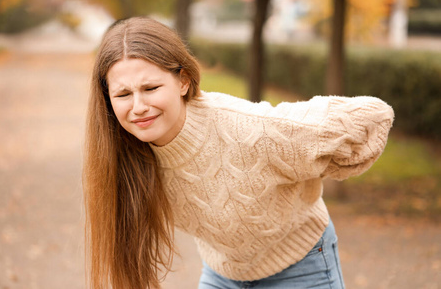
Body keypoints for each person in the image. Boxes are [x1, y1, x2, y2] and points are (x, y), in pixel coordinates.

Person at [83, 16, 394, 289]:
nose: (138, 107)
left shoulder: (251, 132)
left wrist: (328, 164)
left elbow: (373, 116)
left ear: (183, 81)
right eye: (123, 94)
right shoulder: (123, 154)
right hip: (222, 274)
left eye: (150, 88)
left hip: (302, 264)